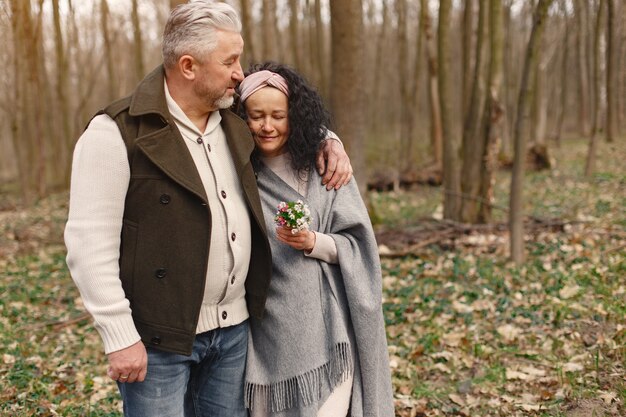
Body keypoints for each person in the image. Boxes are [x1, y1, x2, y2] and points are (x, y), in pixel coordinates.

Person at [63, 2, 352, 417]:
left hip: (234, 333)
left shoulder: (235, 122)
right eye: (230, 61)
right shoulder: (115, 132)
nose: (240, 72)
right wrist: (118, 335)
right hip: (158, 338)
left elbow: (284, 116)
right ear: (188, 66)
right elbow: (88, 243)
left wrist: (328, 139)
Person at [237, 62, 394, 416]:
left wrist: (314, 242)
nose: (267, 125)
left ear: (294, 115)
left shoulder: (326, 166)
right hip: (269, 335)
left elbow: (360, 245)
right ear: (239, 116)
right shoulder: (239, 174)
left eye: (278, 115)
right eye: (256, 115)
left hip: (334, 331)